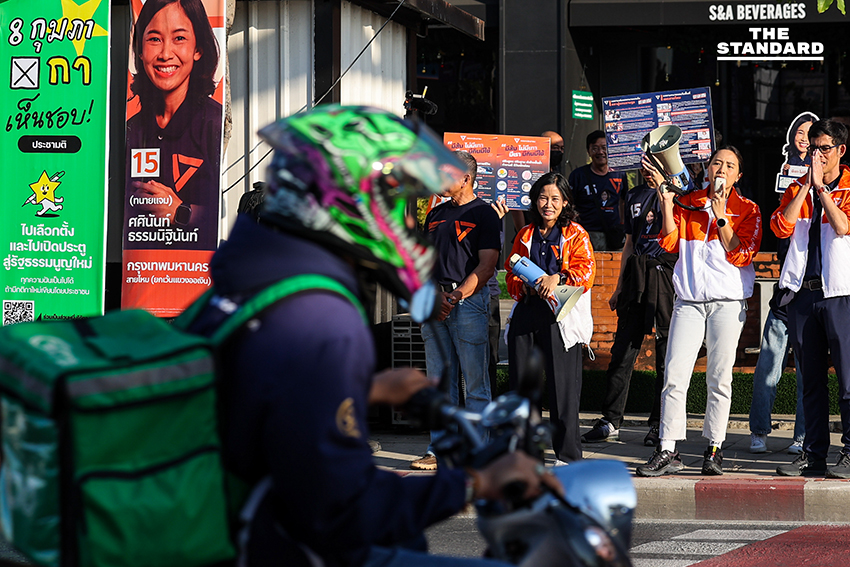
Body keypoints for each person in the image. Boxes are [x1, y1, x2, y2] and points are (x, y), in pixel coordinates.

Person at [186, 106, 559, 567]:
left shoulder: (237, 291)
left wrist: (361, 387)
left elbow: (267, 395)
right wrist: (474, 484)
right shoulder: (321, 317)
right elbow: (350, 506)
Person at [635, 147, 762, 477]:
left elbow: (742, 255)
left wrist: (720, 215)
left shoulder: (748, 209)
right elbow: (668, 243)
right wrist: (665, 201)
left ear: (738, 176)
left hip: (727, 302)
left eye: (729, 165)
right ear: (707, 169)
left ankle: (715, 448)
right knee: (674, 376)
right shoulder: (688, 202)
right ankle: (667, 450)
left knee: (719, 378)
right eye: (717, 162)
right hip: (688, 301)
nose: (721, 168)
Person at [410, 151, 502, 471]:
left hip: (469, 304)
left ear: (466, 177)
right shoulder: (434, 214)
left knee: (475, 383)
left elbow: (487, 266)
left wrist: (456, 296)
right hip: (435, 303)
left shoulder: (484, 214)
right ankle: (439, 450)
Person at [774, 120, 850, 479]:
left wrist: (822, 190)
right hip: (804, 295)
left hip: (841, 294)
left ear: (840, 151)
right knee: (811, 381)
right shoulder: (796, 189)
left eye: (824, 148)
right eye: (813, 149)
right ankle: (813, 453)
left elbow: (842, 225)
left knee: (848, 379)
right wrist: (806, 188)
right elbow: (781, 227)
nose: (817, 155)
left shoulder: (848, 186)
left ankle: (849, 451)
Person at [582, 163, 677, 447]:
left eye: (655, 166)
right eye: (645, 166)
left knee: (665, 354)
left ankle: (660, 424)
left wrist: (664, 190)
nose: (649, 172)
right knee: (622, 350)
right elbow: (629, 243)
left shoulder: (676, 193)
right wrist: (619, 286)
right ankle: (610, 419)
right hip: (636, 272)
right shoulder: (633, 195)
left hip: (664, 272)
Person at [505, 172, 595, 464]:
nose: (548, 204)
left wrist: (558, 277)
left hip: (560, 315)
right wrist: (527, 284)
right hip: (528, 311)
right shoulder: (525, 234)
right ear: (534, 200)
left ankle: (568, 456)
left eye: (555, 198)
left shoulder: (576, 233)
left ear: (565, 202)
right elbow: (510, 275)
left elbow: (587, 272)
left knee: (563, 388)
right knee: (523, 386)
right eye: (543, 197)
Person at [124, 0, 222, 247]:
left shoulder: (213, 122)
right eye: (154, 39)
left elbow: (221, 212)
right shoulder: (131, 128)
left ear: (198, 49)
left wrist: (179, 212)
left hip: (194, 272)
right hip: (142, 271)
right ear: (139, 49)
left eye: (179, 38)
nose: (165, 54)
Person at [568, 130, 629, 251]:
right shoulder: (578, 175)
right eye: (595, 148)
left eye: (604, 147)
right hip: (587, 233)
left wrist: (622, 225)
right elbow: (569, 203)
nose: (600, 152)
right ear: (588, 151)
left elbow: (623, 200)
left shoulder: (619, 173)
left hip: (614, 234)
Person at [510, 130, 564, 233]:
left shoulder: (556, 172)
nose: (559, 152)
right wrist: (522, 233)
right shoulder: (526, 171)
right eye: (555, 147)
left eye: (562, 148)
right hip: (529, 230)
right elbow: (516, 207)